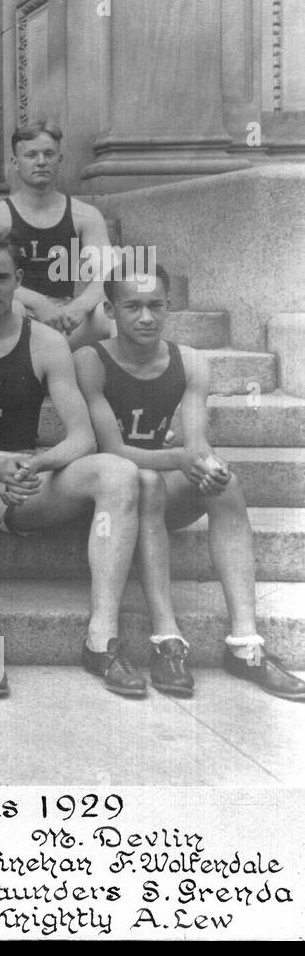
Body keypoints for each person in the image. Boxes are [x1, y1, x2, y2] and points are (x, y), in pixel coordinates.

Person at [0, 231, 142, 698]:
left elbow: (81, 436)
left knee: (118, 473)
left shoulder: (46, 342)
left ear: (19, 279)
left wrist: (40, 464)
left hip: (28, 483)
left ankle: (102, 638)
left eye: (2, 278)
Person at [74, 268, 305, 699]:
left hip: (158, 481)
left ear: (169, 307)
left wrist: (207, 465)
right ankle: (167, 637)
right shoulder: (91, 360)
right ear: (110, 310)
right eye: (133, 306)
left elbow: (196, 444)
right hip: (109, 501)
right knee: (144, 481)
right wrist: (181, 458)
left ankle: (245, 642)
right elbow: (111, 450)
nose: (146, 317)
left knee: (226, 483)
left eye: (156, 305)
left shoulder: (191, 361)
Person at [0, 121, 113, 349]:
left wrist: (80, 306)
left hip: (66, 318)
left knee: (108, 315)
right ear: (15, 163)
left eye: (48, 154)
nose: (41, 162)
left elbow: (109, 273)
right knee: (12, 309)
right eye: (31, 155)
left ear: (59, 159)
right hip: (20, 312)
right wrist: (38, 303)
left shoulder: (85, 215)